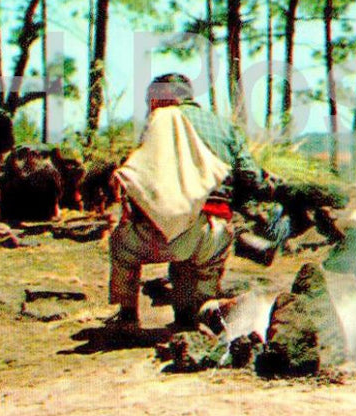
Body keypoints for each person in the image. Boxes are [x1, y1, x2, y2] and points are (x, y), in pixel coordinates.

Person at [107, 74, 267, 334]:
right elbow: (252, 177)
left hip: (162, 233)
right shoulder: (225, 127)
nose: (149, 107)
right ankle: (208, 311)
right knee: (196, 287)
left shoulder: (161, 120)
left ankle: (126, 319)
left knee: (121, 245)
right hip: (214, 232)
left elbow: (141, 176)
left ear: (164, 97)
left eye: (151, 100)